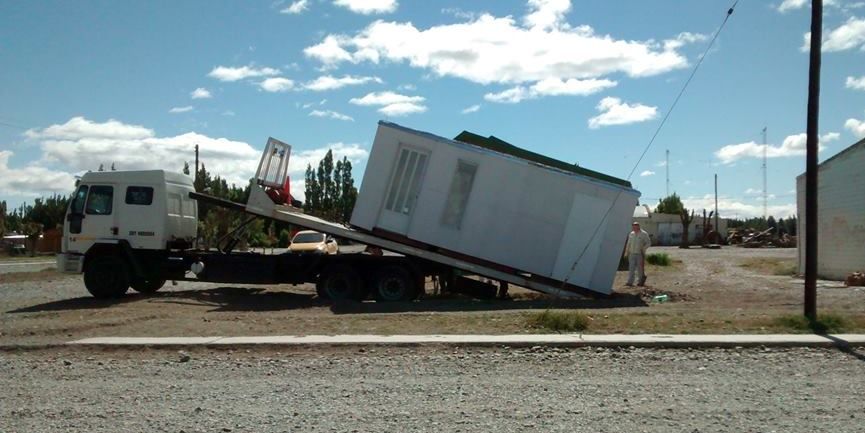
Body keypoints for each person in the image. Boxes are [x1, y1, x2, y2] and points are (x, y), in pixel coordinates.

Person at [625, 222, 651, 287]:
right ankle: (630, 282)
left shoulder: (644, 234)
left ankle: (640, 282)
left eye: (636, 226)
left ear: (639, 226)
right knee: (631, 268)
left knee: (640, 269)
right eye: (633, 226)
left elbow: (648, 243)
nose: (634, 228)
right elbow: (628, 244)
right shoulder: (631, 234)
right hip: (631, 254)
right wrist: (626, 252)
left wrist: (643, 248)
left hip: (640, 254)